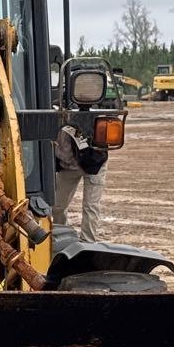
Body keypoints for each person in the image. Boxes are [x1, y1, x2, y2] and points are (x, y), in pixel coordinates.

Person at [52, 101, 107, 242]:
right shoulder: (47, 129)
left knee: (90, 206)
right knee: (57, 205)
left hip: (93, 164)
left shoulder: (77, 126)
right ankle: (59, 235)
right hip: (68, 166)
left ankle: (87, 242)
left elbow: (89, 152)